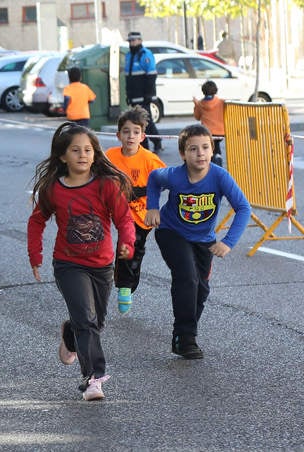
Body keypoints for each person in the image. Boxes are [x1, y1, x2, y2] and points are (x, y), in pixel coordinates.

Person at [27, 122, 135, 401]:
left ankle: (70, 336)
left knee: (94, 322)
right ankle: (94, 379)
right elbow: (37, 221)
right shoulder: (54, 190)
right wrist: (35, 255)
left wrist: (127, 242)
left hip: (101, 265)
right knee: (86, 321)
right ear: (63, 156)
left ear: (95, 154)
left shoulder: (106, 185)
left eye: (87, 150)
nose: (83, 155)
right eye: (75, 150)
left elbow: (124, 218)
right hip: (68, 264)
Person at [145, 124, 250, 359]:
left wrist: (228, 241)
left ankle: (181, 334)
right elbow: (154, 178)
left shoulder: (220, 176)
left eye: (205, 148)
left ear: (212, 151)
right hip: (172, 232)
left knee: (201, 291)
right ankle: (186, 337)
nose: (200, 153)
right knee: (187, 278)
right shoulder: (174, 175)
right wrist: (152, 206)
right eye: (193, 149)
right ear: (183, 154)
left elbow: (243, 208)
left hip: (204, 240)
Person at [104, 107, 166, 313]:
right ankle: (123, 284)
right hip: (118, 213)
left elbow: (164, 182)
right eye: (126, 131)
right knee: (126, 248)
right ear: (118, 135)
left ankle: (127, 285)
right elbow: (98, 177)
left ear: (143, 136)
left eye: (136, 132)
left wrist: (138, 191)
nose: (131, 136)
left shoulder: (150, 160)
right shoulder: (110, 156)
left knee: (134, 250)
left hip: (142, 214)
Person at [125, 31, 163, 152]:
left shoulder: (145, 55)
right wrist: (129, 95)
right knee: (138, 122)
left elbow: (151, 76)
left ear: (140, 41)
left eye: (134, 41)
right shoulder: (129, 56)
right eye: (130, 41)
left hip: (143, 96)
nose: (132, 43)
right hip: (134, 96)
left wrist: (149, 95)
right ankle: (143, 146)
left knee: (146, 122)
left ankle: (156, 141)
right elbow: (128, 78)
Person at [193, 80, 226, 166]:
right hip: (220, 132)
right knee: (216, 146)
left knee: (210, 148)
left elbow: (197, 117)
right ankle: (217, 158)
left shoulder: (200, 104)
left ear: (203, 91)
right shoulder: (221, 102)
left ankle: (213, 162)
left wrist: (196, 105)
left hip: (207, 132)